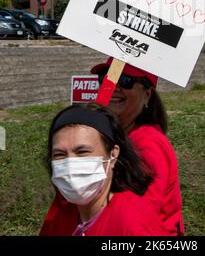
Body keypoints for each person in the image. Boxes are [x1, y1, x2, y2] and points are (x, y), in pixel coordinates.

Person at [41, 57, 184, 236]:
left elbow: (139, 215)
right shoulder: (110, 134)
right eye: (107, 78)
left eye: (125, 80)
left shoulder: (148, 144)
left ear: (147, 94)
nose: (114, 86)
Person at [40, 103, 168, 236]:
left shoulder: (133, 224)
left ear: (113, 154)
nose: (70, 163)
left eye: (82, 152)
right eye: (59, 154)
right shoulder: (62, 214)